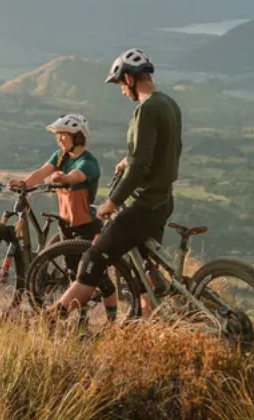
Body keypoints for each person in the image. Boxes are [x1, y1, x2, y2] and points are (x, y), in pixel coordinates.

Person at [52, 48, 182, 326]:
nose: (122, 91)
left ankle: (52, 318)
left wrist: (112, 200)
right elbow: (165, 149)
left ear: (130, 79)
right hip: (163, 201)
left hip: (141, 205)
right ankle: (153, 330)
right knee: (143, 270)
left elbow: (141, 166)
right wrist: (129, 158)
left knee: (93, 257)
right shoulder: (169, 104)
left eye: (121, 84)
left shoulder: (145, 110)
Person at [7, 113, 119, 318]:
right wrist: (24, 183)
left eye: (63, 135)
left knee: (97, 276)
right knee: (72, 273)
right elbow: (42, 172)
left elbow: (76, 176)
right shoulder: (60, 156)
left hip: (87, 226)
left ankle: (113, 321)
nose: (59, 139)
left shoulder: (89, 162)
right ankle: (80, 320)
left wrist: (64, 178)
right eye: (57, 135)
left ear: (77, 137)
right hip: (66, 224)